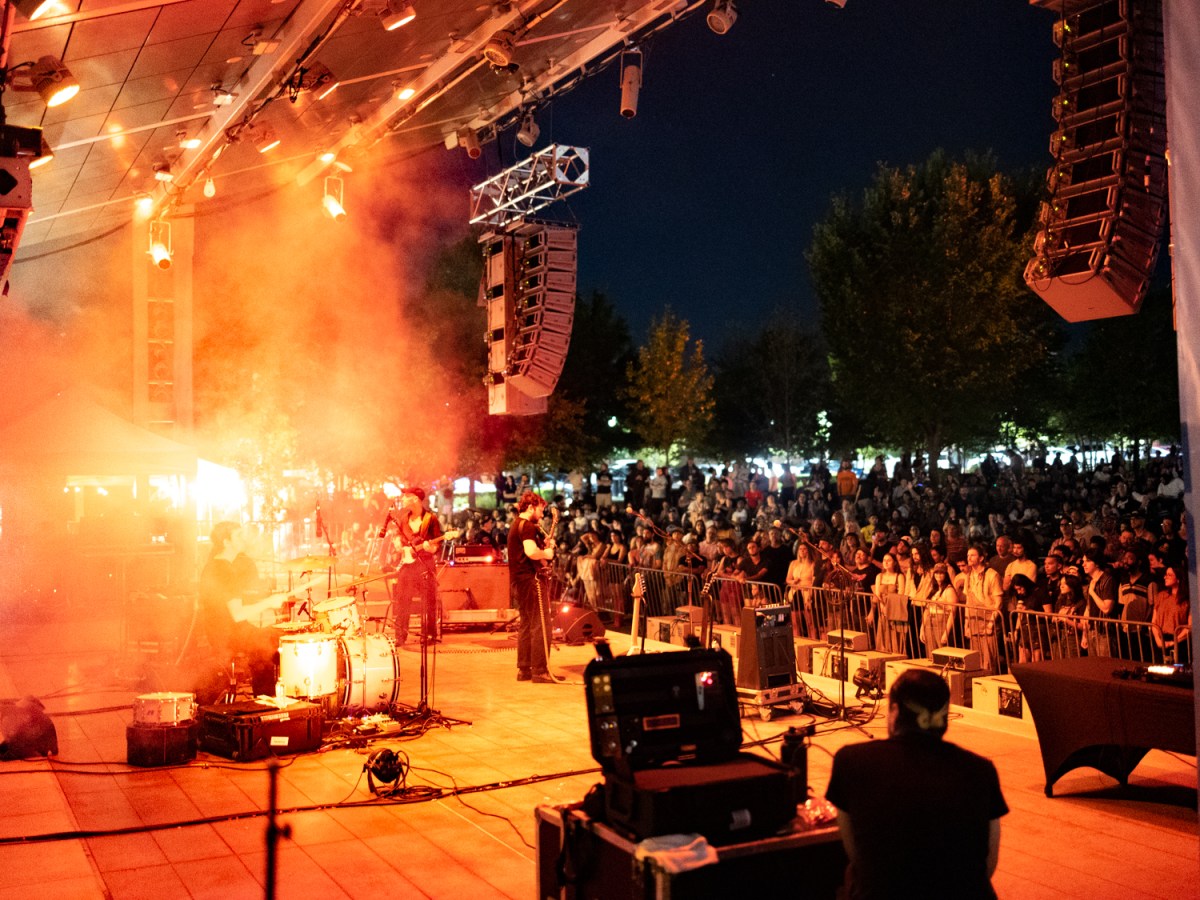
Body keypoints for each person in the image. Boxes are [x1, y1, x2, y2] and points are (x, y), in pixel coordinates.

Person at [826, 668, 1008, 900]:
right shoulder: (981, 770)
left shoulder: (851, 761)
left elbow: (855, 854)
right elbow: (988, 864)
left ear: (894, 711)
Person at [198, 521, 281, 697]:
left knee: (273, 638)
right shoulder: (224, 570)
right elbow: (238, 614)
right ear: (226, 542)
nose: (244, 539)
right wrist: (271, 602)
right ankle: (265, 703)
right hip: (227, 635)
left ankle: (268, 699)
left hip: (225, 630)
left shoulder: (219, 565)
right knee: (271, 646)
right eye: (239, 535)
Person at [385, 486, 444, 646]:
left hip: (425, 564)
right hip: (407, 565)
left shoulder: (430, 519)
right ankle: (400, 636)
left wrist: (430, 548)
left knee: (428, 601)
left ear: (416, 499)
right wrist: (398, 543)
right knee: (402, 600)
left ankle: (428, 635)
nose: (403, 499)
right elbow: (398, 535)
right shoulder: (404, 518)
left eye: (406, 496)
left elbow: (438, 542)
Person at [509, 491, 556, 683]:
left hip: (519, 581)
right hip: (532, 580)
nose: (542, 515)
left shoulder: (516, 525)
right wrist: (548, 552)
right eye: (540, 510)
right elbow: (531, 552)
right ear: (530, 507)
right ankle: (539, 670)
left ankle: (524, 669)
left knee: (527, 623)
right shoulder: (527, 526)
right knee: (541, 624)